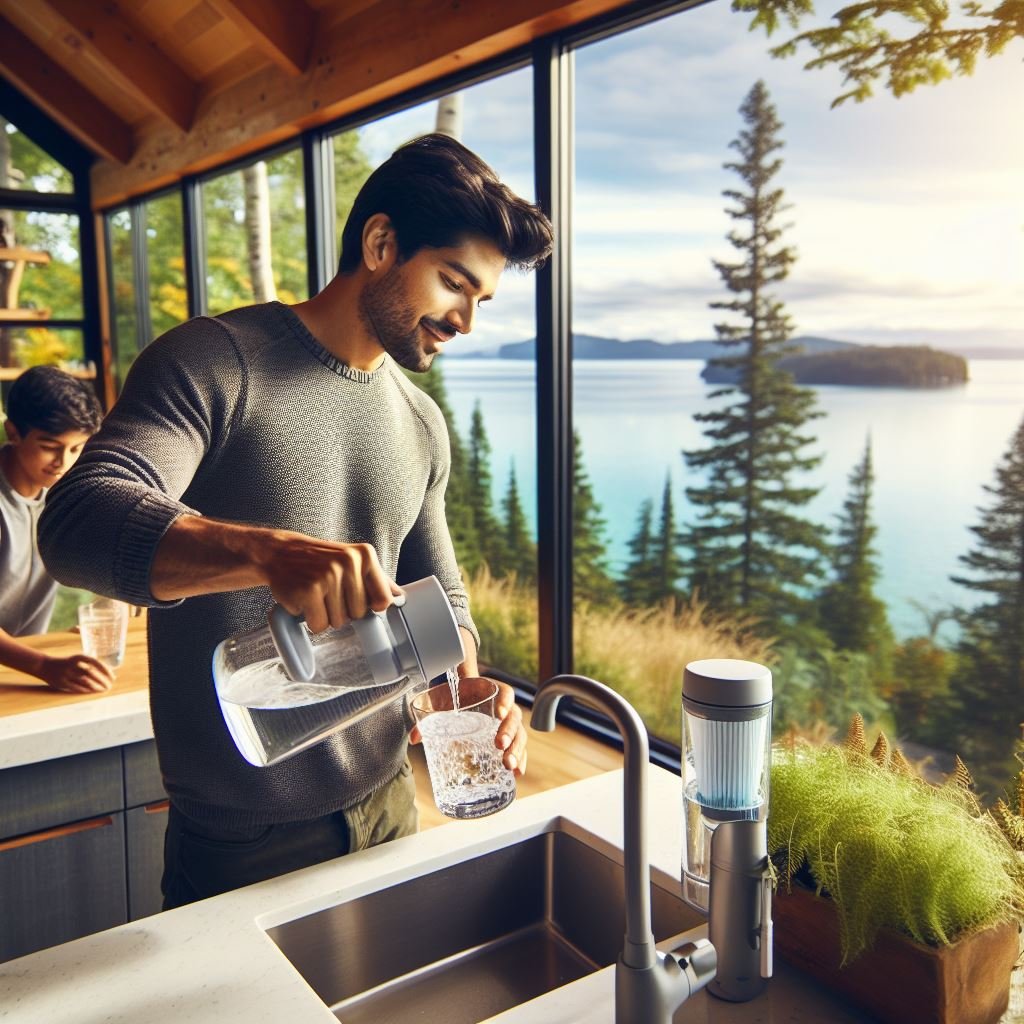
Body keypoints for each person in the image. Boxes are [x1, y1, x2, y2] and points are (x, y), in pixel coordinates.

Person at [39, 133, 554, 909]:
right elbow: (77, 521)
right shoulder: (214, 362)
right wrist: (264, 553)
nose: (466, 321)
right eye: (455, 283)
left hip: (389, 809)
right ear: (381, 243)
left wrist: (467, 688)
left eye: (481, 300)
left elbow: (443, 604)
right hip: (240, 840)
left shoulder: (421, 424)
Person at [0, 365, 110, 693]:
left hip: (19, 672)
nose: (63, 463)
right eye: (50, 446)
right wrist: (43, 665)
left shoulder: (64, 492)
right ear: (13, 432)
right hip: (27, 670)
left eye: (76, 448)